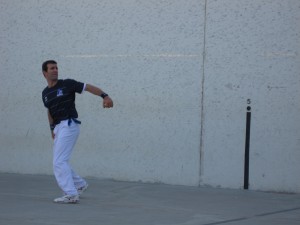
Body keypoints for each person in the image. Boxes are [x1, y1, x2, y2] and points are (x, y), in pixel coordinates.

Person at [42, 60, 113, 203]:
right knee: (61, 160)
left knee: (59, 162)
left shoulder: (67, 83)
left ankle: (71, 194)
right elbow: (50, 111)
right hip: (58, 128)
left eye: (56, 67)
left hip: (69, 125)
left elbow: (87, 87)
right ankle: (79, 185)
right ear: (45, 73)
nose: (55, 70)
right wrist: (52, 129)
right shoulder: (45, 93)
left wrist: (105, 96)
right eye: (51, 68)